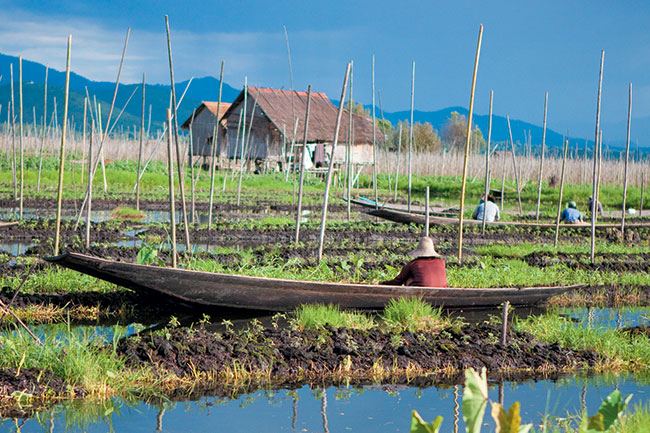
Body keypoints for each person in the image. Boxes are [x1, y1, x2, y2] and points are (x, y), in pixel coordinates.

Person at [381, 237, 447, 287]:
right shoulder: (441, 262)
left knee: (409, 278)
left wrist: (383, 283)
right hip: (442, 290)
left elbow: (398, 281)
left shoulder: (414, 263)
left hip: (420, 293)